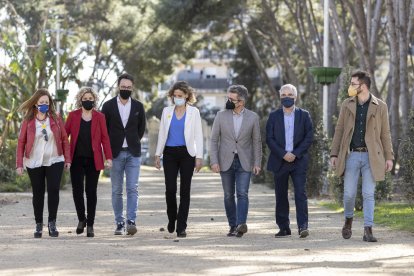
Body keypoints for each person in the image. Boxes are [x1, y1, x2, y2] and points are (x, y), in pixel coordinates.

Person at [330, 70, 393, 242]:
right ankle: (348, 221)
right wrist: (334, 153)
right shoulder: (347, 104)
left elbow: (385, 134)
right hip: (351, 155)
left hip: (371, 157)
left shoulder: (381, 106)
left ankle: (368, 230)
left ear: (363, 86)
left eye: (353, 84)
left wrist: (389, 157)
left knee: (368, 194)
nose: (350, 87)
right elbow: (340, 130)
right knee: (349, 194)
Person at [16, 88, 71, 238]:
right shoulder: (28, 121)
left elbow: (65, 139)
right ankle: (38, 224)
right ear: (35, 104)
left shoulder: (56, 118)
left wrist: (67, 159)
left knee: (53, 190)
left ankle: (52, 223)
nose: (44, 105)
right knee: (38, 193)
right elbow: (21, 142)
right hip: (34, 161)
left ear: (50, 103)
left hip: (54, 159)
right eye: (41, 102)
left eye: (47, 102)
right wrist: (19, 164)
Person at [210, 84, 262, 238]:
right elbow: (213, 140)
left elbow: (256, 141)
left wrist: (257, 162)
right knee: (228, 195)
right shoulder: (220, 116)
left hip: (244, 161)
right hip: (225, 160)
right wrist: (214, 161)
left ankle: (241, 225)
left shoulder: (253, 117)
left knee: (242, 193)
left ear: (241, 101)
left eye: (232, 99)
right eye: (227, 98)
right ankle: (232, 225)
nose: (228, 101)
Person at [154, 81, 203, 238]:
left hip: (187, 154)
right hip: (169, 154)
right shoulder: (166, 111)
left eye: (180, 96)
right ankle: (171, 218)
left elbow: (198, 135)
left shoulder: (194, 112)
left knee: (185, 191)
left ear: (187, 96)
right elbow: (162, 133)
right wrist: (157, 154)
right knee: (170, 189)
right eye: (174, 96)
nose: (177, 98)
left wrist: (199, 157)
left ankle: (181, 226)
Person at [266, 84, 313, 239]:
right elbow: (269, 138)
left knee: (300, 193)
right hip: (280, 161)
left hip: (298, 161)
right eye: (284, 94)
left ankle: (303, 227)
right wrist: (283, 154)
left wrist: (295, 153)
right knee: (281, 195)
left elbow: (309, 137)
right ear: (280, 97)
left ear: (295, 96)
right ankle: (284, 227)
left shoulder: (304, 115)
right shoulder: (273, 116)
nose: (287, 97)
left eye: (290, 94)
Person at [101, 73, 146, 235]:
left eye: (128, 87)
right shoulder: (108, 106)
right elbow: (103, 131)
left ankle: (131, 221)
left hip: (133, 153)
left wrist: (133, 141)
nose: (125, 89)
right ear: (118, 87)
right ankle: (119, 223)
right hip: (115, 153)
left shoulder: (139, 107)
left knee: (133, 188)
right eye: (123, 87)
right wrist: (106, 153)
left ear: (132, 88)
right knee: (116, 190)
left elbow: (141, 129)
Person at [65, 87, 113, 237]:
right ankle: (81, 219)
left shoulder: (100, 117)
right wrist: (65, 157)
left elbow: (105, 138)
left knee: (91, 192)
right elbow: (64, 136)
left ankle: (90, 224)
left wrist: (109, 157)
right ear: (80, 100)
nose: (87, 101)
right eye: (85, 99)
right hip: (76, 159)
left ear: (94, 100)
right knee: (77, 191)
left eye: (90, 99)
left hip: (94, 159)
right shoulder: (73, 116)